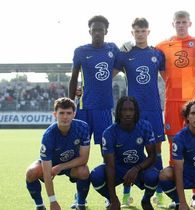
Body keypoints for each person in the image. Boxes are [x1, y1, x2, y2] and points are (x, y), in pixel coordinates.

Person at [155, 10, 195, 209]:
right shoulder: (162, 46)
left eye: (184, 22)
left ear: (190, 23)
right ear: (173, 24)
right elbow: (160, 68)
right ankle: (176, 197)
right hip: (172, 102)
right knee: (173, 146)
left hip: (193, 101)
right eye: (178, 22)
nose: (181, 25)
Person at [68, 15, 119, 208]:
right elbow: (73, 78)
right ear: (89, 31)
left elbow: (122, 65)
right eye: (94, 29)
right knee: (78, 153)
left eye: (101, 29)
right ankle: (79, 197)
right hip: (84, 109)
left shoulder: (112, 49)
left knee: (108, 154)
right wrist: (70, 103)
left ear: (106, 31)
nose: (97, 33)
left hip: (105, 109)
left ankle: (109, 194)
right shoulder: (81, 51)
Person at [115, 17, 166, 208]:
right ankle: (126, 194)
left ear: (148, 32)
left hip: (153, 109)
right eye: (136, 31)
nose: (140, 34)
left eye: (143, 31)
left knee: (157, 151)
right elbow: (106, 76)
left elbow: (169, 76)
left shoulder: (157, 54)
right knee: (129, 149)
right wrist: (83, 88)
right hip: (132, 110)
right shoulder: (125, 54)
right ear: (132, 33)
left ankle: (159, 195)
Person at [90, 96, 158, 210]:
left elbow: (152, 156)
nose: (127, 113)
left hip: (139, 167)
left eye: (131, 110)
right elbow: (110, 166)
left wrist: (136, 168)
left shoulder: (145, 126)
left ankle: (146, 200)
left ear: (136, 112)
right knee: (96, 175)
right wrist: (113, 199)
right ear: (118, 112)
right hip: (117, 168)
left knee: (154, 176)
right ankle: (112, 200)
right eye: (124, 110)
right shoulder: (109, 133)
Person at [25, 97, 90, 210]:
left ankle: (80, 203)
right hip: (51, 165)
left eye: (69, 113)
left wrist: (61, 167)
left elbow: (83, 159)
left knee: (84, 171)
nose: (65, 117)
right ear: (55, 114)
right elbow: (46, 171)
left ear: (74, 114)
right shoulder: (48, 135)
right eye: (61, 113)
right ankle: (39, 205)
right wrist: (53, 201)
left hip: (70, 165)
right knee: (31, 172)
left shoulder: (82, 127)